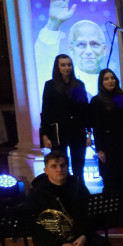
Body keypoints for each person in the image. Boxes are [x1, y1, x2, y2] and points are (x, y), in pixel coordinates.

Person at [34, 0, 107, 98]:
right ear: (71, 50)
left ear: (104, 49)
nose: (88, 51)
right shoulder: (57, 83)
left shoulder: (110, 80)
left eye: (94, 44)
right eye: (81, 45)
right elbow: (42, 58)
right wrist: (53, 24)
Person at [88, 68, 123, 208]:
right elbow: (96, 128)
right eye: (106, 79)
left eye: (112, 78)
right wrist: (100, 150)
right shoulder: (96, 101)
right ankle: (112, 213)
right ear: (101, 82)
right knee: (111, 181)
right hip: (108, 147)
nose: (110, 81)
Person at [40, 54, 90, 184]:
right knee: (59, 165)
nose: (67, 68)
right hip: (58, 131)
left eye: (69, 64)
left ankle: (80, 191)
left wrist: (88, 133)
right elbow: (46, 111)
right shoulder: (50, 85)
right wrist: (45, 135)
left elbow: (84, 109)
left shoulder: (79, 84)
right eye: (63, 65)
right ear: (57, 67)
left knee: (79, 165)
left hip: (77, 130)